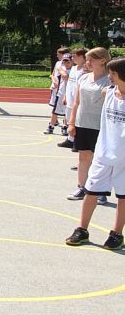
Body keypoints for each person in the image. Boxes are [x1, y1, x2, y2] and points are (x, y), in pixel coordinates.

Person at [65, 55, 125, 250]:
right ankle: (82, 229)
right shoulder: (108, 92)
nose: (110, 76)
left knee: (122, 197)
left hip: (123, 157)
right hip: (103, 153)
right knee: (90, 191)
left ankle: (116, 233)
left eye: (113, 73)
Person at [65, 48, 111, 201]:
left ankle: (101, 191)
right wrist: (71, 123)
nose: (87, 63)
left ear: (103, 60)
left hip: (101, 125)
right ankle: (81, 188)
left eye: (91, 60)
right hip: (82, 123)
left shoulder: (110, 80)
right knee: (83, 157)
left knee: (100, 159)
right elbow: (76, 103)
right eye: (87, 59)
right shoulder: (84, 78)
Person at [58, 48, 87, 149]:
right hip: (70, 99)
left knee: (77, 121)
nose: (72, 57)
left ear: (82, 57)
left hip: (78, 100)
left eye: (75, 55)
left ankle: (76, 142)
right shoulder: (74, 69)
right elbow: (69, 84)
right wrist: (66, 96)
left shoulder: (86, 70)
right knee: (70, 120)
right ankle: (70, 140)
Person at [46, 53, 72, 135]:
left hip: (70, 94)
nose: (66, 63)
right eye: (64, 62)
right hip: (61, 93)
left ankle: (65, 127)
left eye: (68, 61)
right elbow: (55, 76)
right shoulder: (62, 68)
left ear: (71, 61)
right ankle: (51, 126)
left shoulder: (73, 70)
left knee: (67, 112)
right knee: (55, 111)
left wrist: (60, 69)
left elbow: (66, 76)